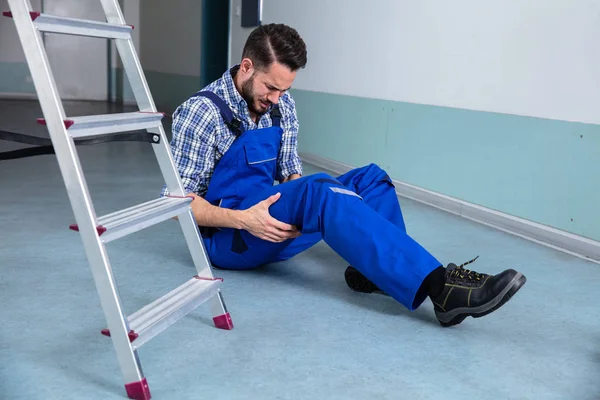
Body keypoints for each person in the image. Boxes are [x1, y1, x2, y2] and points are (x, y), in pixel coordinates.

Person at [161, 23, 526, 327]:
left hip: (269, 217)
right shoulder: (201, 113)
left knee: (370, 178)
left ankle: (373, 273)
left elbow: (290, 173)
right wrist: (243, 220)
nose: (276, 98)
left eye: (284, 89)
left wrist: (302, 205)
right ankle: (440, 289)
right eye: (270, 87)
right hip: (230, 236)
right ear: (246, 67)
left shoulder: (281, 104)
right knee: (321, 189)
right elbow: (178, 203)